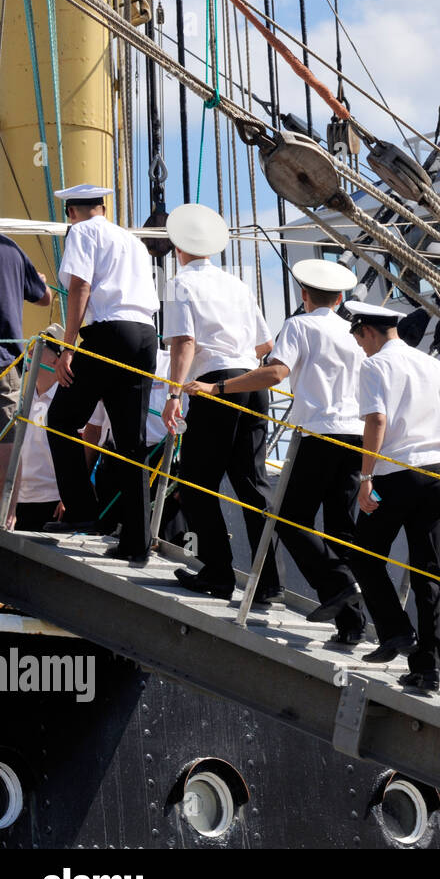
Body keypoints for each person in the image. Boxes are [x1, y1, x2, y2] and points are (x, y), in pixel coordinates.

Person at [186, 258, 368, 643]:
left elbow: (275, 372)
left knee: (289, 516)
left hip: (319, 435)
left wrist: (217, 389)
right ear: (339, 299)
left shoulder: (300, 325)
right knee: (340, 529)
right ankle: (351, 623)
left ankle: (338, 584)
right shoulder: (354, 335)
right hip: (357, 438)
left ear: (304, 295)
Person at [160, 204, 278, 601]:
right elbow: (265, 345)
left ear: (178, 247)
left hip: (214, 384)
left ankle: (218, 572)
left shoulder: (179, 284)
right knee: (252, 484)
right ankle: (268, 582)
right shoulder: (238, 284)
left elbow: (184, 343)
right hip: (252, 383)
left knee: (195, 483)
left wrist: (174, 393)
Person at [345, 301, 440, 693]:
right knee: (428, 571)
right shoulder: (435, 366)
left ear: (367, 331)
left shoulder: (376, 365)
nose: (361, 347)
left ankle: (396, 632)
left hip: (395, 473)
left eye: (358, 338)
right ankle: (428, 669)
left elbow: (376, 421)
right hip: (435, 474)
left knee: (363, 553)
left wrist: (365, 478)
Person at [44, 184, 160, 564]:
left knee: (60, 418)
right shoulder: (133, 241)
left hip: (109, 332)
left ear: (72, 212)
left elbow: (80, 286)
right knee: (132, 442)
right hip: (145, 336)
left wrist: (68, 347)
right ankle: (137, 542)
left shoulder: (82, 231)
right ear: (103, 206)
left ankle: (83, 511)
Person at [10, 325, 104, 530]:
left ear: (58, 359)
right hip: (18, 502)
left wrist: (71, 498)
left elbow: (88, 448)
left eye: (41, 346)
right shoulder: (20, 399)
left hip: (55, 503)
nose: (31, 350)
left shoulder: (75, 405)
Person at [0, 227, 53, 508]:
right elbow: (45, 297)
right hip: (6, 362)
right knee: (7, 441)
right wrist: (39, 280)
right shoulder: (11, 249)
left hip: (4, 358)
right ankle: (8, 514)